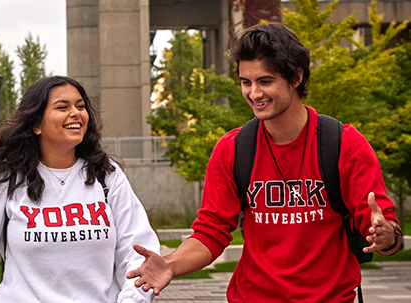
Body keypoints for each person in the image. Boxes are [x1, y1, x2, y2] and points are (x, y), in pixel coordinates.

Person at [127, 23, 403, 302]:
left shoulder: (343, 144)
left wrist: (386, 236)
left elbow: (386, 231)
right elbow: (211, 231)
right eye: (246, 82)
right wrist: (170, 265)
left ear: (296, 77)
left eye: (265, 81)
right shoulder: (232, 149)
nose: (254, 93)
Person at [0, 76, 160, 303]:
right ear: (36, 124)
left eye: (80, 106)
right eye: (63, 107)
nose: (75, 113)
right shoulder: (7, 180)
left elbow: (137, 253)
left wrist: (133, 299)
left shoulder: (106, 175)